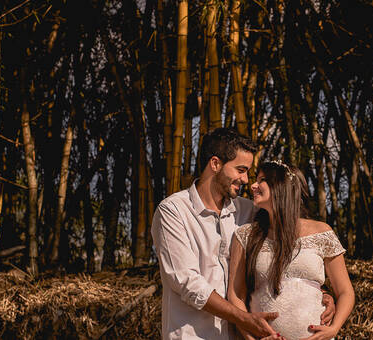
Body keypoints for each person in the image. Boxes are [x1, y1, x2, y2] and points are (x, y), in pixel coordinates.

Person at [151, 128, 335, 340]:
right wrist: (241, 317)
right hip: (193, 335)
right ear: (215, 164)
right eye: (240, 170)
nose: (246, 179)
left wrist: (317, 294)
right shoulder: (173, 211)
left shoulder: (250, 211)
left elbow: (284, 257)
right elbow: (187, 282)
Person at [228, 161, 355, 340]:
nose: (253, 185)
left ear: (281, 187)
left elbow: (345, 292)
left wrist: (334, 329)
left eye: (262, 180)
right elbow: (236, 295)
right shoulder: (245, 235)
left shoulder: (322, 232)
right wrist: (251, 338)